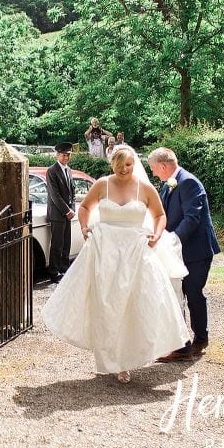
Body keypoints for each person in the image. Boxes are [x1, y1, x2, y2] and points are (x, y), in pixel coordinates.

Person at [42, 146, 190, 383]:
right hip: (105, 254)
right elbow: (85, 208)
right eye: (120, 165)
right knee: (107, 306)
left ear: (134, 163)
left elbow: (159, 215)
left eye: (129, 165)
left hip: (135, 253)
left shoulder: (145, 187)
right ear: (113, 164)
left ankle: (125, 362)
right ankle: (110, 359)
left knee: (134, 305)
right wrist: (84, 226)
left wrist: (157, 234)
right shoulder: (102, 184)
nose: (124, 170)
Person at [148, 147, 221, 361]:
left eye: (153, 168)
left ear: (163, 165)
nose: (153, 172)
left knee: (193, 293)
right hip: (176, 251)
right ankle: (181, 343)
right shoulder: (169, 183)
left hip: (195, 250)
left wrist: (173, 240)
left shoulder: (188, 182)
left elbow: (192, 218)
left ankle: (199, 340)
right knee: (175, 294)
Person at [45, 141, 76, 282]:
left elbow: (73, 192)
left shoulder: (68, 170)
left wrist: (72, 209)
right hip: (57, 214)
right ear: (57, 155)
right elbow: (54, 195)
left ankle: (64, 269)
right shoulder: (52, 171)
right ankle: (54, 272)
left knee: (66, 243)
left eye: (68, 155)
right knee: (57, 245)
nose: (66, 157)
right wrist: (66, 211)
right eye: (64, 155)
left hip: (68, 213)